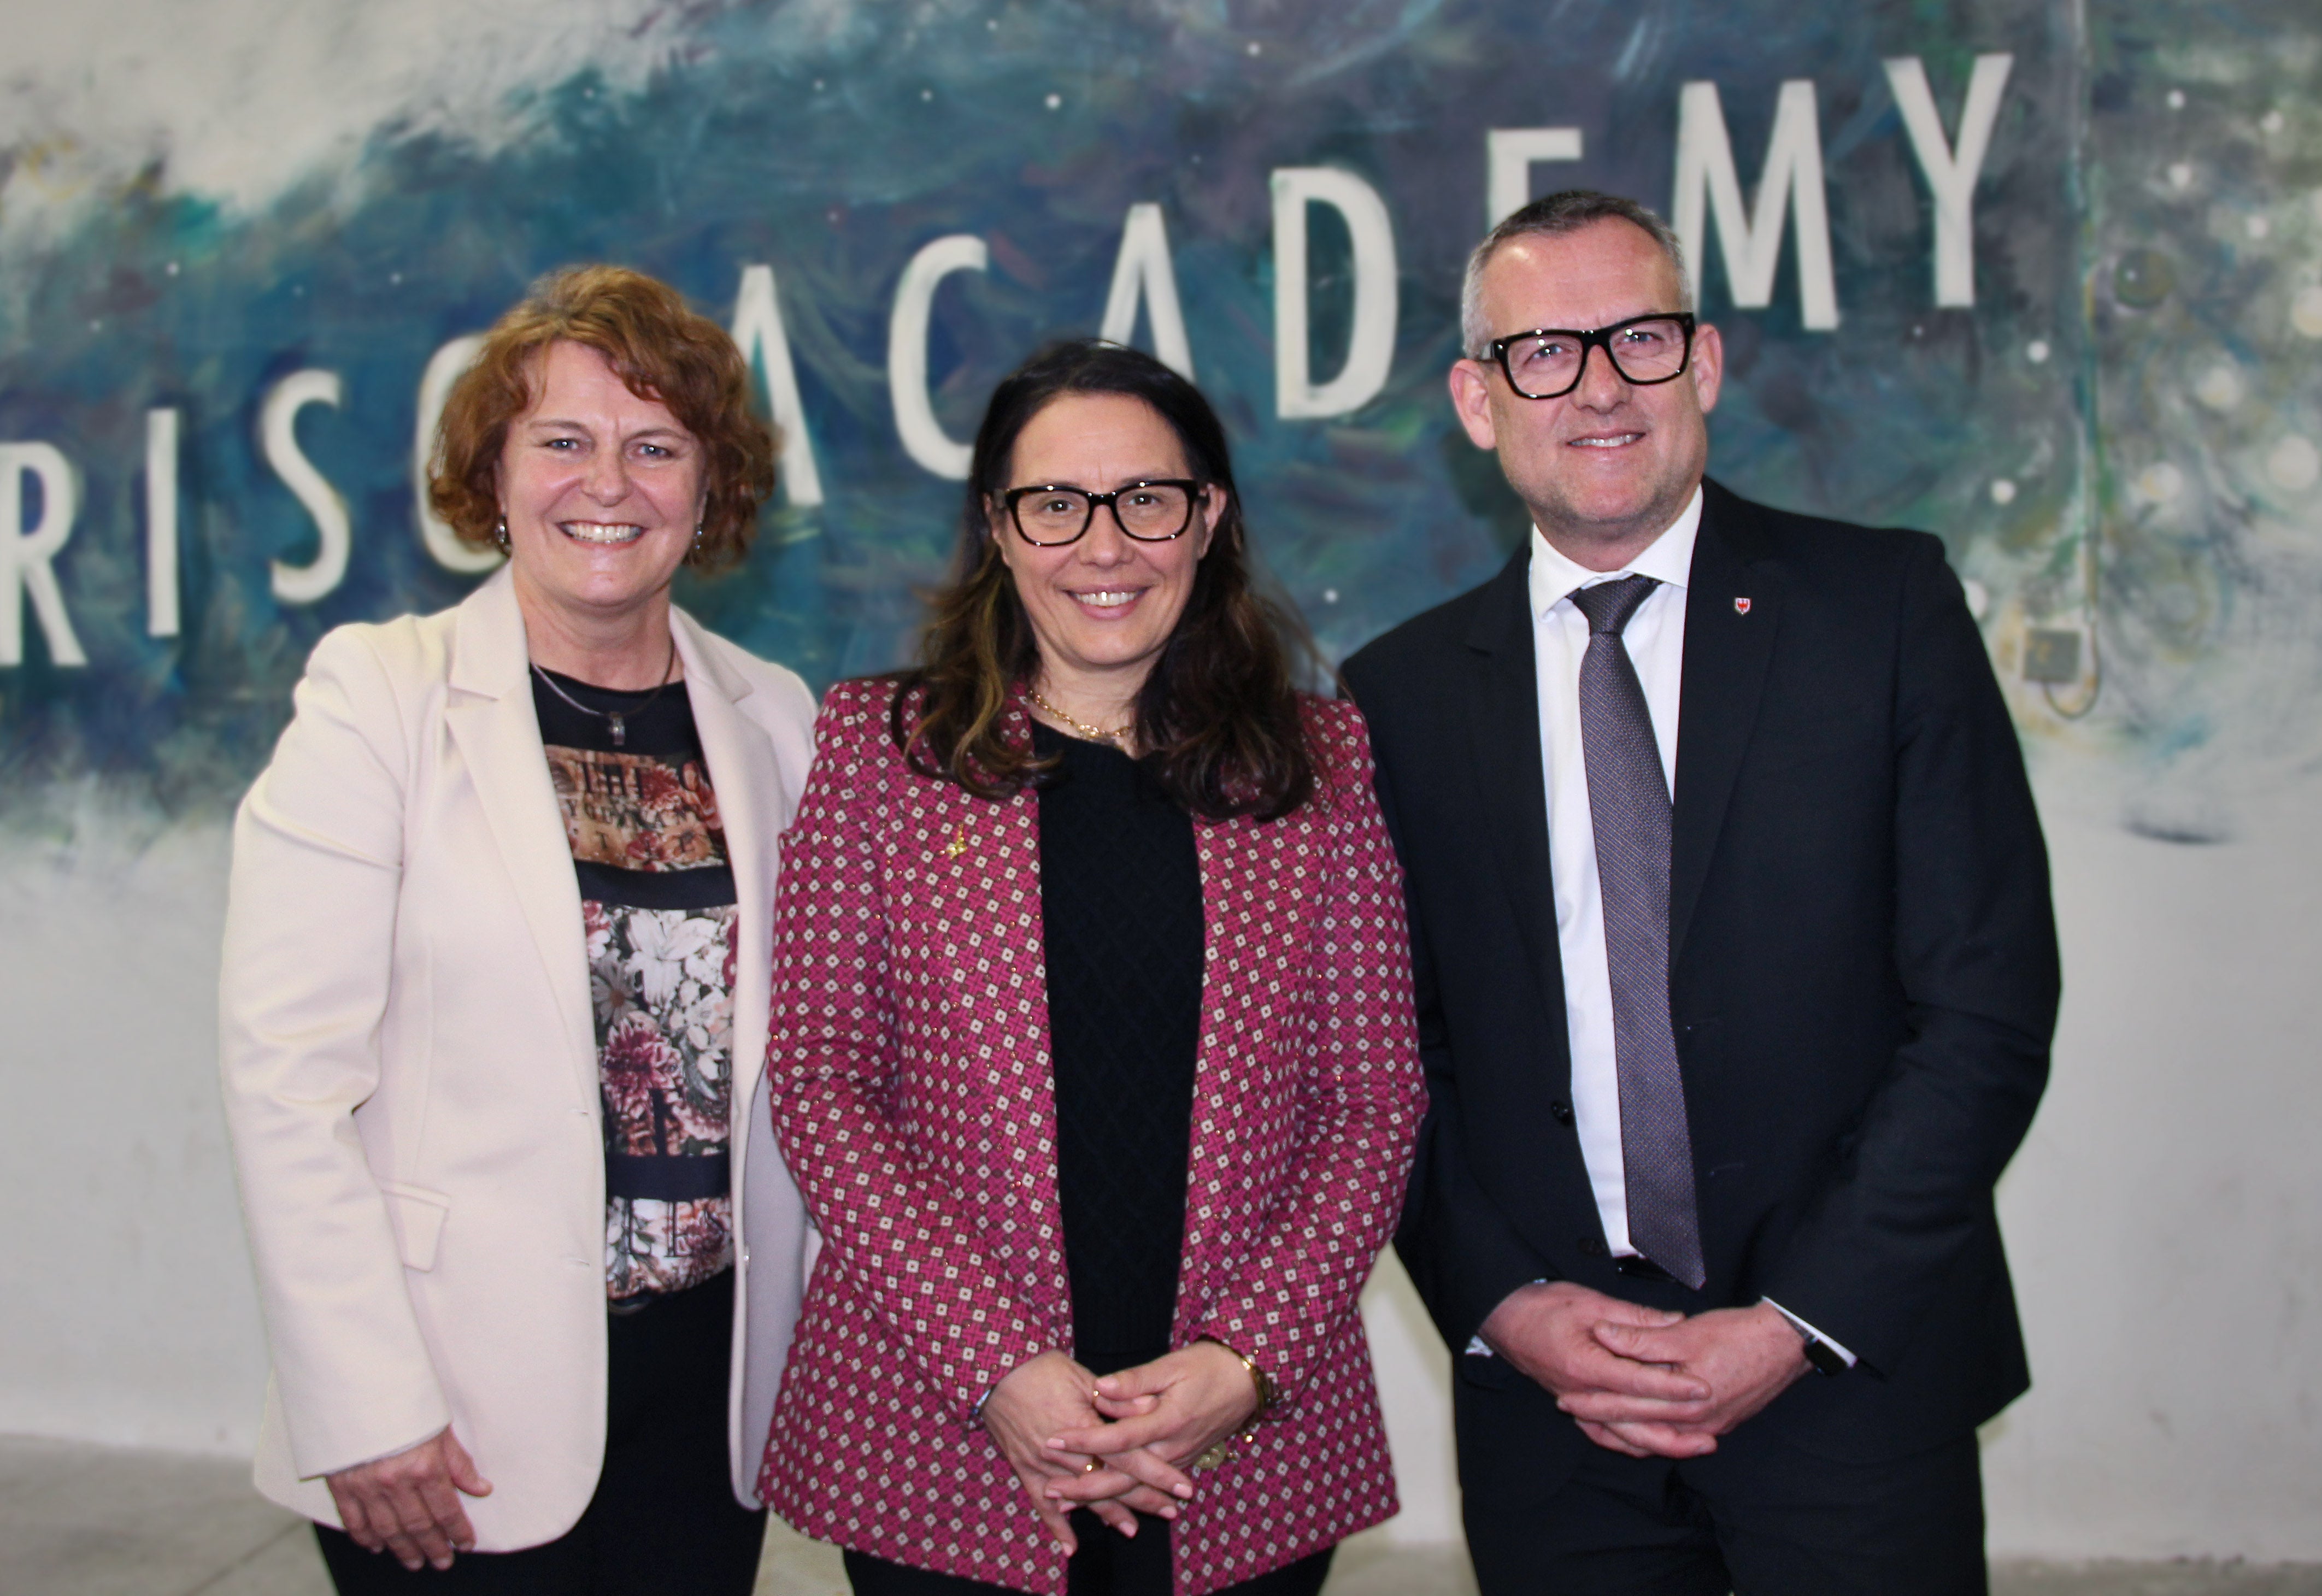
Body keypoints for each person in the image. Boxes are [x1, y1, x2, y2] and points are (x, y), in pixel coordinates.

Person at [1342, 191, 2061, 1592]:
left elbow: (1985, 1008)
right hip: (1557, 1414)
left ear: (1706, 365)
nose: (1600, 387)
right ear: (1477, 402)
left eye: (1641, 340)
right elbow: (1385, 1062)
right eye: (1546, 351)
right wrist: (1504, 1304)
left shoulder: (1886, 613)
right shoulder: (1397, 699)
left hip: (1850, 1378)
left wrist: (1796, 1318)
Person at [755, 338, 1424, 1596]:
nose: (1102, 546)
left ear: (1208, 517)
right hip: (946, 1427)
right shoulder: (876, 753)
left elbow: (1371, 1104)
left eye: (1147, 501)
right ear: (998, 529)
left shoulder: (1318, 765)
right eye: (1054, 503)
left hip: (1242, 1437)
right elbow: (821, 1086)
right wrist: (998, 1368)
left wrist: (1246, 1362)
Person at [218, 264, 820, 1593]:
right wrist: (364, 1401)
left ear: (708, 489)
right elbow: (286, 1077)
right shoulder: (379, 695)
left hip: (708, 1391)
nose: (607, 483)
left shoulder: (776, 716)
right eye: (562, 440)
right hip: (446, 1407)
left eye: (655, 446)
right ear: (491, 478)